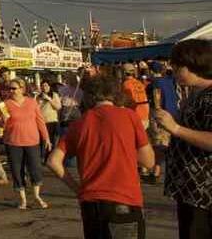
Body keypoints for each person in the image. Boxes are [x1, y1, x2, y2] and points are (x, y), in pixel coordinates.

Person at [47, 74, 154, 239]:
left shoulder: (79, 124)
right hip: (124, 199)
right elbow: (148, 161)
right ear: (116, 94)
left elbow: (53, 161)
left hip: (91, 202)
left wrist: (78, 189)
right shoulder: (129, 116)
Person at [153, 39, 212, 239]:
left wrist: (175, 129)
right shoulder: (195, 94)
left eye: (178, 66)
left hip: (204, 194)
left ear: (193, 64)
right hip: (189, 190)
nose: (174, 70)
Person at [0, 78, 51, 210]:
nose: (11, 91)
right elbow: (1, 126)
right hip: (13, 142)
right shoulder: (5, 104)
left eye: (14, 88)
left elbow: (40, 121)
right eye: (10, 89)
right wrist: (2, 120)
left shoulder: (32, 103)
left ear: (22, 89)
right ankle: (22, 199)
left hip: (32, 141)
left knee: (35, 168)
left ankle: (36, 196)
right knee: (17, 171)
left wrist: (46, 138)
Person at [146, 62, 178, 183]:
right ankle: (157, 170)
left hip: (160, 114)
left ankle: (156, 172)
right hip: (173, 113)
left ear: (152, 71)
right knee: (166, 143)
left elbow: (156, 99)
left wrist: (157, 112)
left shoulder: (156, 83)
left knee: (159, 144)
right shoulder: (169, 81)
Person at [37, 80, 62, 161]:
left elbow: (58, 107)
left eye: (46, 86)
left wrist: (49, 99)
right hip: (41, 122)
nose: (44, 88)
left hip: (51, 121)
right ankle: (41, 157)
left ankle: (48, 158)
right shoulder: (39, 97)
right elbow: (36, 108)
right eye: (43, 86)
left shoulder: (54, 95)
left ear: (49, 87)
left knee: (50, 141)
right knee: (41, 140)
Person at [122, 63, 151, 130]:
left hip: (135, 117)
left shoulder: (125, 84)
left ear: (124, 73)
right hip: (145, 116)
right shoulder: (140, 83)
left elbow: (124, 103)